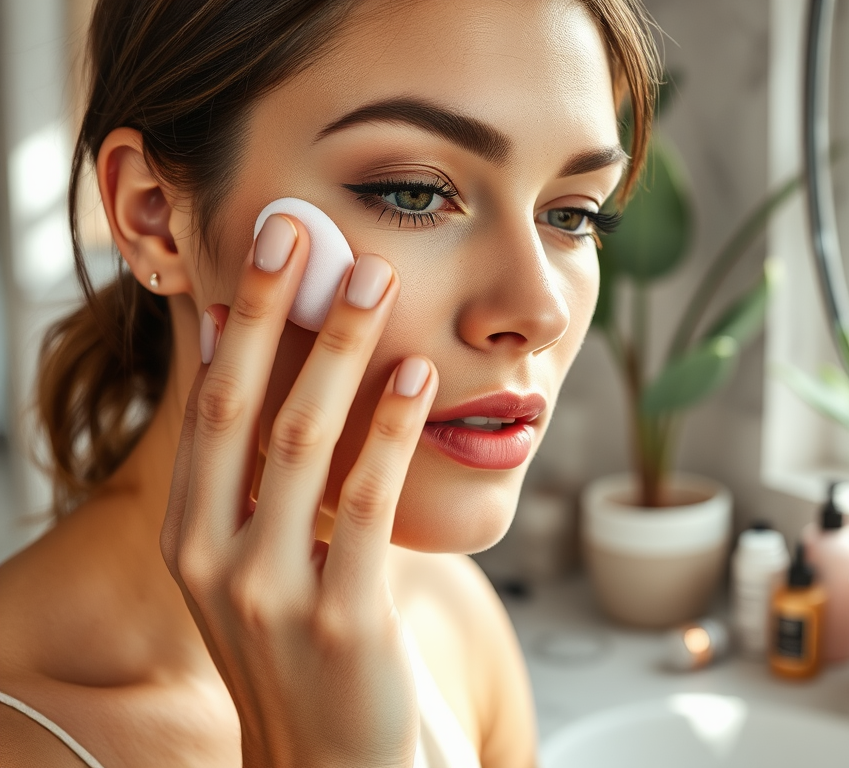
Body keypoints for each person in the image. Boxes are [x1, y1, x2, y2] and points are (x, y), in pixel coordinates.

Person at [0, 0, 658, 765]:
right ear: (152, 213)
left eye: (573, 215)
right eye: (414, 192)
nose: (540, 309)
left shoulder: (450, 618)